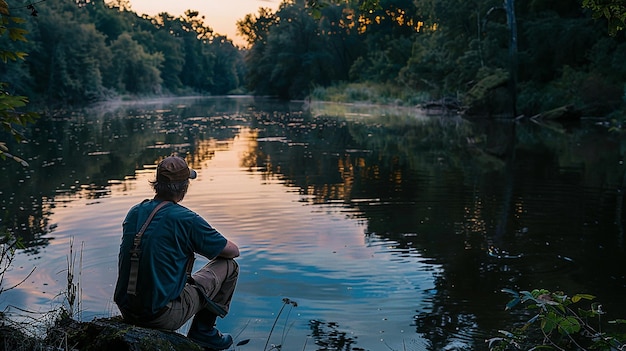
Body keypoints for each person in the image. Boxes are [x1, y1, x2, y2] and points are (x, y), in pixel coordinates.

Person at [114, 155, 240, 351]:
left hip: (127, 310)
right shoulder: (186, 219)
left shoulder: (134, 212)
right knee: (229, 266)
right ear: (184, 187)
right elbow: (233, 251)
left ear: (157, 184)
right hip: (160, 316)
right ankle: (204, 332)